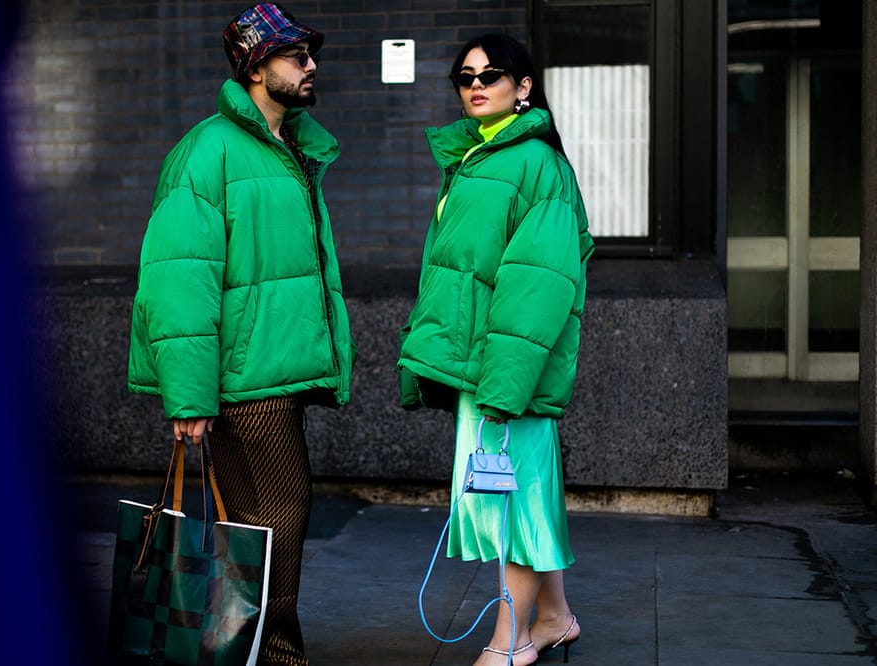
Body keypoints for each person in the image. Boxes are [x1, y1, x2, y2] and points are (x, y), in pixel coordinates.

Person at [127, 4, 355, 664]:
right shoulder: (206, 153)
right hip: (243, 377)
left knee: (255, 522)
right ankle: (276, 653)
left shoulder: (289, 149)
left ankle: (239, 649)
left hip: (270, 366)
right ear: (256, 66)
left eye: (310, 54)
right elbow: (178, 282)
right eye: (295, 56)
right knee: (283, 510)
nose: (311, 65)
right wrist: (190, 398)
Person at [398, 34, 593, 665]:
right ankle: (555, 616)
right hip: (486, 367)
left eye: (492, 73)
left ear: (525, 86)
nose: (476, 83)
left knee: (509, 504)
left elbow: (538, 285)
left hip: (506, 373)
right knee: (522, 493)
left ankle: (509, 644)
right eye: (465, 75)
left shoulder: (537, 163)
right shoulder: (475, 161)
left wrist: (505, 386)